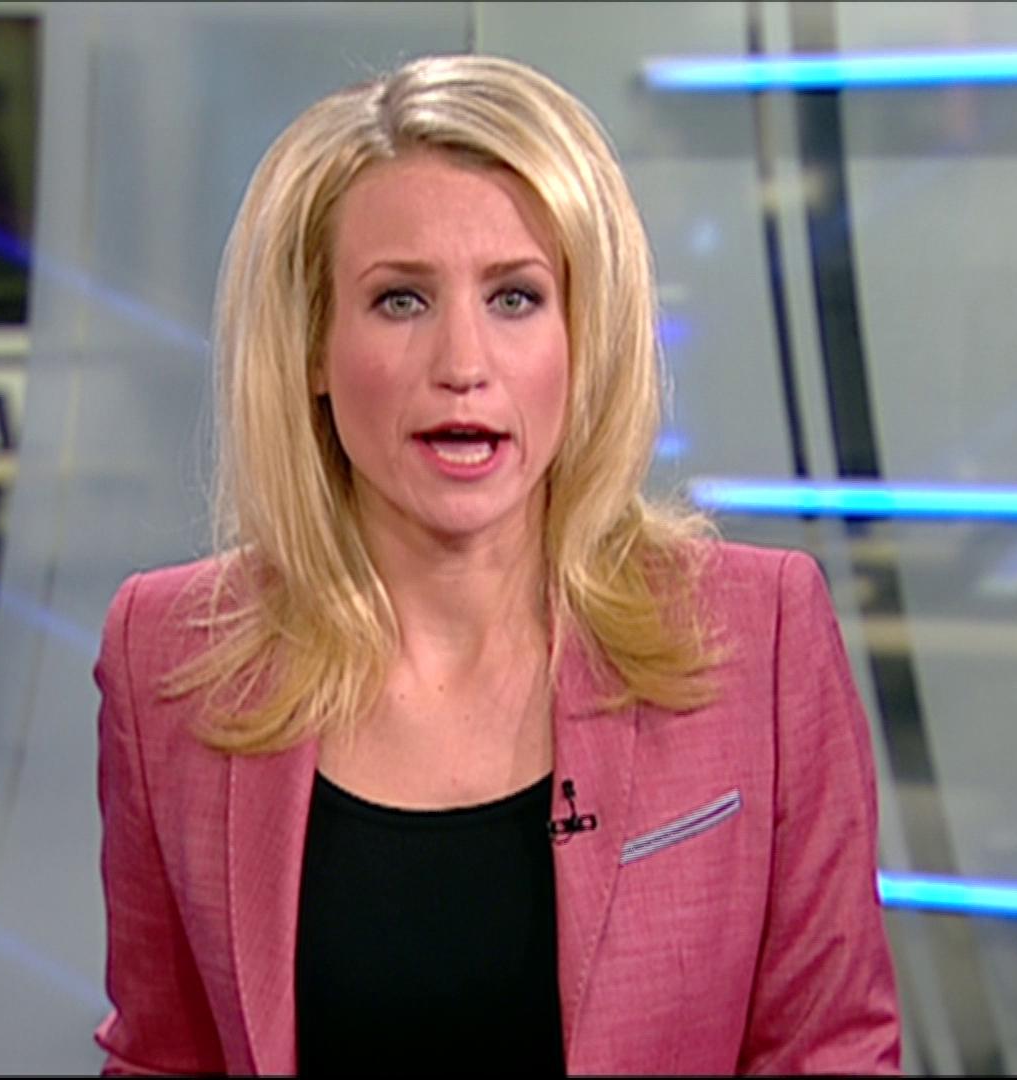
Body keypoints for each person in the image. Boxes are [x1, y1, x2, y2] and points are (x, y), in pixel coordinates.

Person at [93, 53, 900, 1076]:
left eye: (516, 298)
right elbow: (164, 1057)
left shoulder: (759, 635)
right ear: (312, 348)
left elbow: (829, 1050)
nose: (463, 365)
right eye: (401, 300)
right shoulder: (168, 659)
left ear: (584, 337)